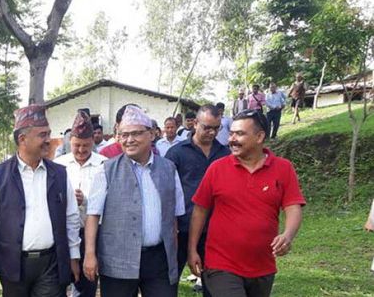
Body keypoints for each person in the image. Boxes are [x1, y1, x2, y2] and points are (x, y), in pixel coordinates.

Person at [188, 110, 306, 297]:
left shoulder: (283, 168)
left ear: (259, 137)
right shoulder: (217, 169)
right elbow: (200, 210)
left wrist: (288, 235)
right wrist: (192, 249)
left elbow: (293, 206)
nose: (231, 139)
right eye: (231, 133)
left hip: (263, 267)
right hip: (221, 264)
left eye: (240, 134)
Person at [0, 104, 81, 296]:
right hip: (13, 267)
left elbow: (71, 217)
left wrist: (73, 256)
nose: (49, 140)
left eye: (48, 133)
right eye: (42, 135)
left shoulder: (59, 174)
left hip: (51, 265)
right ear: (22, 139)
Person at [83, 105, 185, 296]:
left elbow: (174, 215)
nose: (129, 140)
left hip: (159, 260)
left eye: (136, 133)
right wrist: (90, 254)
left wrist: (173, 254)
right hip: (117, 260)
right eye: (123, 134)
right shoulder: (106, 170)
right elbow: (93, 215)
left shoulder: (169, 169)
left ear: (152, 134)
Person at [165, 105, 231, 297]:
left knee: (213, 283)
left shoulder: (225, 154)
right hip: (181, 227)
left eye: (216, 128)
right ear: (195, 124)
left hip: (214, 230)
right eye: (207, 127)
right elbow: (166, 192)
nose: (211, 132)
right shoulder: (176, 153)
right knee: (169, 280)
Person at [53, 110, 107, 297]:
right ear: (70, 142)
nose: (81, 150)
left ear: (93, 141)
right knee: (60, 281)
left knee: (87, 283)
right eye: (77, 145)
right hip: (64, 233)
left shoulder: (104, 165)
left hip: (93, 234)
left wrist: (85, 201)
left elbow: (108, 203)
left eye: (86, 145)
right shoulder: (59, 165)